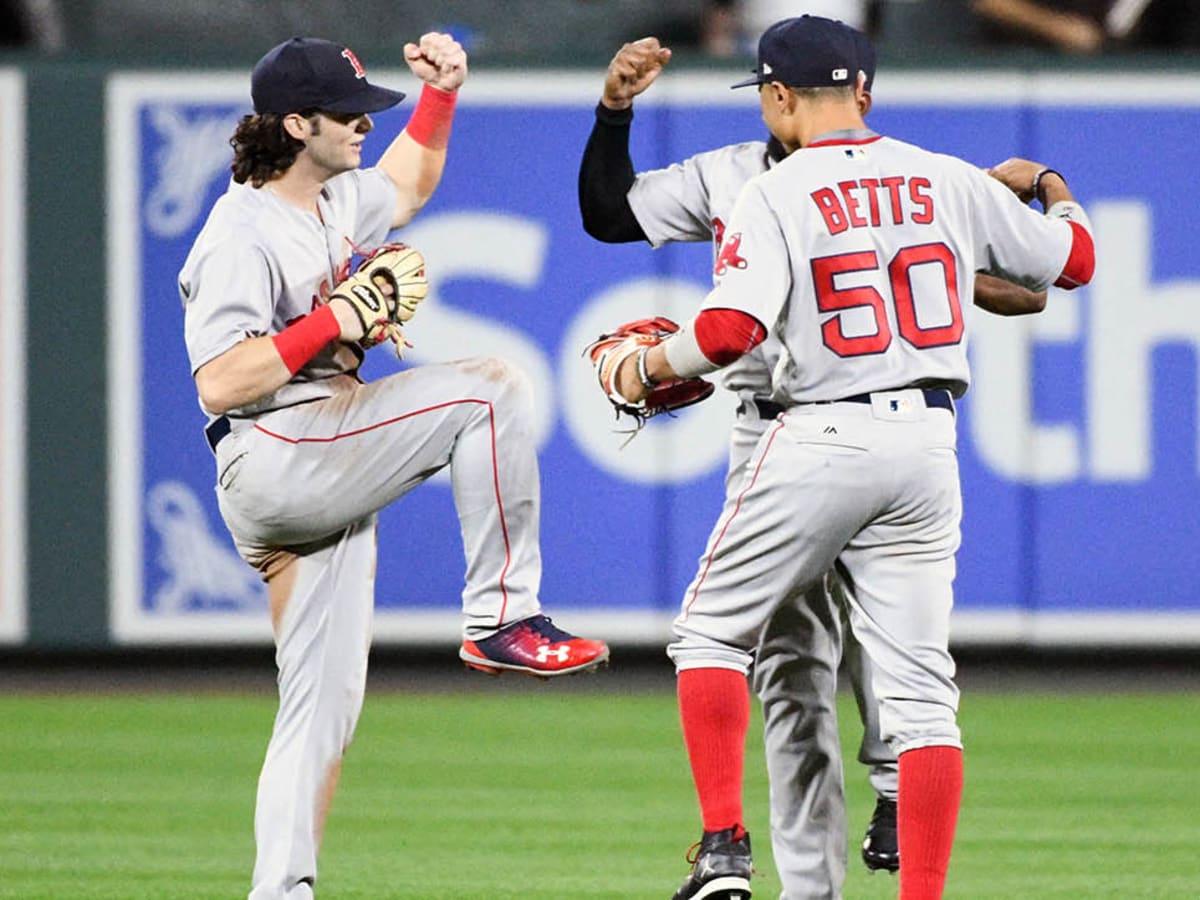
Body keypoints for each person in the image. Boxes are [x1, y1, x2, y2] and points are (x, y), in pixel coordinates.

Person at [594, 15, 1094, 900]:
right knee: (923, 700)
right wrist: (1050, 185)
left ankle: (721, 850)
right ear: (861, 90)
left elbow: (728, 329)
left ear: (780, 97)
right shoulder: (945, 177)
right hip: (928, 445)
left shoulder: (773, 191)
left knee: (713, 635)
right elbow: (1075, 264)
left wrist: (645, 367)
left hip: (814, 432)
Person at [178, 34, 609, 900]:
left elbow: (409, 184)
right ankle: (502, 618)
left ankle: (281, 892)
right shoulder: (239, 232)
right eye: (347, 113)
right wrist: (330, 320)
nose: (365, 123)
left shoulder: (333, 196)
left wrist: (441, 96)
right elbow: (220, 382)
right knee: (490, 391)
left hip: (321, 453)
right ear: (296, 124)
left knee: (320, 711)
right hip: (276, 449)